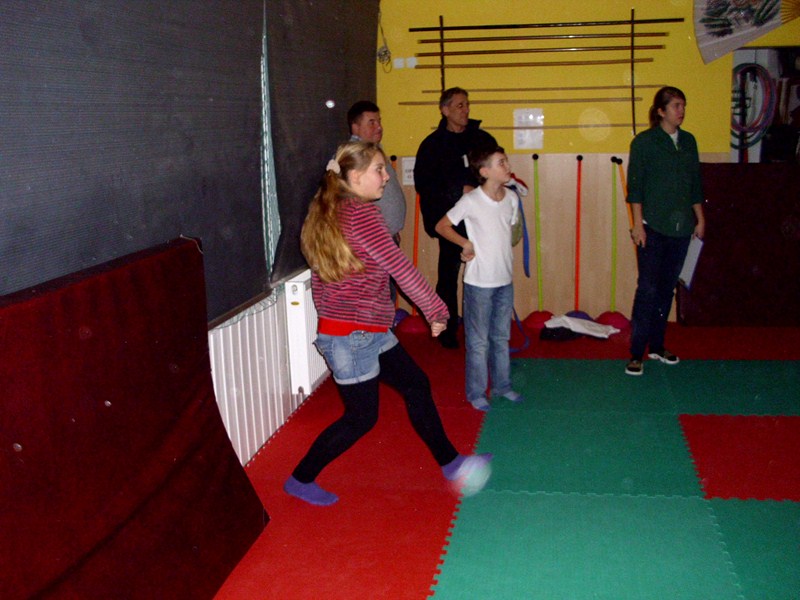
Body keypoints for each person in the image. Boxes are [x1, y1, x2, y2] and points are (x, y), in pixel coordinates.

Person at [284, 141, 492, 506]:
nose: (386, 177)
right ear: (354, 176)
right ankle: (300, 479)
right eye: (379, 170)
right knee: (361, 418)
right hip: (353, 336)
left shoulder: (330, 208)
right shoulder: (361, 214)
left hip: (364, 330)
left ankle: (451, 462)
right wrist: (436, 309)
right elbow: (400, 267)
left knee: (415, 385)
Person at [625, 86, 706, 376]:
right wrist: (638, 225)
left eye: (683, 105)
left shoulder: (689, 141)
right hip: (652, 228)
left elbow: (694, 184)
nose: (681, 111)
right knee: (647, 289)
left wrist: (700, 219)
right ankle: (636, 353)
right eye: (675, 106)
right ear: (661, 111)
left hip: (681, 229)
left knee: (666, 289)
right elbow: (635, 188)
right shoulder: (644, 143)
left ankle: (657, 347)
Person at [435, 145, 522, 412]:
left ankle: (502, 386)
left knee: (501, 337)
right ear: (484, 172)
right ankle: (476, 392)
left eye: (506, 161)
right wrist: (465, 243)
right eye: (501, 163)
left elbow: (510, 234)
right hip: (479, 284)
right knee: (478, 342)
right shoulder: (471, 200)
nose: (507, 166)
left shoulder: (511, 198)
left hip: (504, 281)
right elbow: (442, 226)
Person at [414, 87, 497, 349]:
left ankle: (484, 327)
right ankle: (448, 330)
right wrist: (458, 190)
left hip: (482, 219)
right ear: (445, 110)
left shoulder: (483, 139)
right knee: (448, 277)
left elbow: (496, 171)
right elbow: (424, 183)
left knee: (485, 274)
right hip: (450, 222)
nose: (466, 110)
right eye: (460, 105)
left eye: (467, 104)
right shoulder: (432, 145)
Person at [347, 100, 406, 241]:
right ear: (355, 127)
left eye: (379, 121)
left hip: (385, 237)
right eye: (371, 123)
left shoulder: (375, 152)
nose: (379, 127)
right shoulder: (352, 157)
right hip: (370, 240)